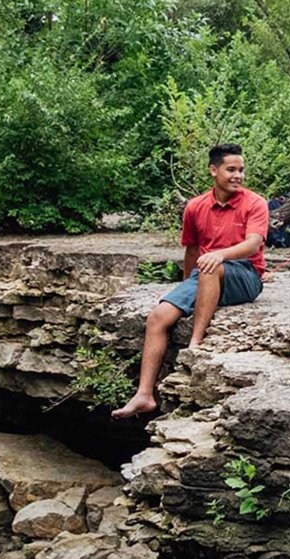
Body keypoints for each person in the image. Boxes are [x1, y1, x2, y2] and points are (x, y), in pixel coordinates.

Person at [111, 143, 267, 419]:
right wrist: (185, 289)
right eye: (231, 169)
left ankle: (195, 342)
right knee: (158, 317)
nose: (238, 175)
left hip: (245, 274)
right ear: (213, 170)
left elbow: (253, 244)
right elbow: (192, 251)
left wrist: (219, 255)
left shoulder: (255, 203)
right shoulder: (195, 207)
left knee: (209, 266)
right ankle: (144, 395)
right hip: (206, 272)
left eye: (241, 170)